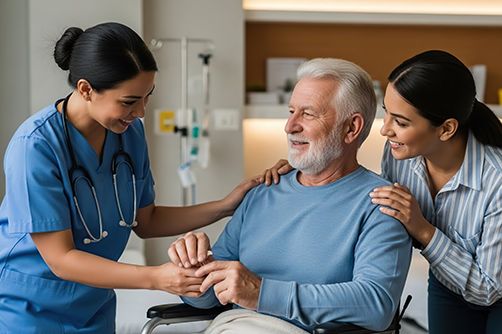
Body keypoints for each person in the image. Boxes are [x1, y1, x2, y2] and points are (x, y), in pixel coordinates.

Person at [0, 22, 257, 333]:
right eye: (129, 101)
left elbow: (146, 221)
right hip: (30, 309)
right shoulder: (36, 146)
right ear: (85, 89)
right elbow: (61, 259)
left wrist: (226, 205)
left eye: (147, 96)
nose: (141, 112)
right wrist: (155, 277)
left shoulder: (128, 133)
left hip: (94, 306)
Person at [169, 58, 412, 334]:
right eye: (291, 111)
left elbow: (375, 305)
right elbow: (207, 297)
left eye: (308, 114)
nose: (290, 126)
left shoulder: (381, 203)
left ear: (351, 128)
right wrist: (195, 270)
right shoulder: (263, 191)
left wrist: (263, 294)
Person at [267, 50, 502, 334]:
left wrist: (423, 230)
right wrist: (303, 171)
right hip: (448, 280)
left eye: (401, 122)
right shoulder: (400, 155)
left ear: (446, 128)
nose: (385, 130)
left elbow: (488, 289)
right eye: (386, 114)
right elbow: (383, 214)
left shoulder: (496, 180)